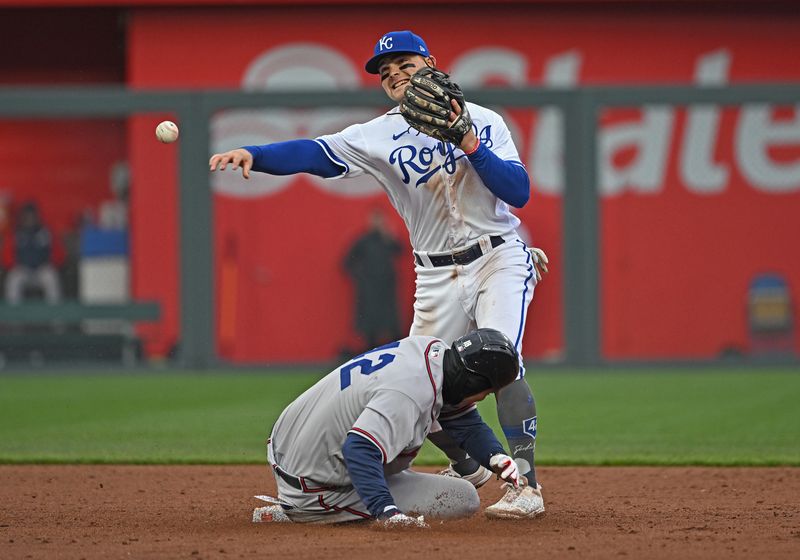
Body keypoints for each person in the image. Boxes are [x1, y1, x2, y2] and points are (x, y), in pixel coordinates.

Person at [210, 30, 548, 519]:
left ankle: (527, 489)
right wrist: (256, 156)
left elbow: (517, 192)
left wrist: (469, 141)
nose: (395, 76)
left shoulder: (484, 119)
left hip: (497, 255)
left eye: (405, 65)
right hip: (434, 272)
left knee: (501, 354)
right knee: (424, 378)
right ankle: (471, 470)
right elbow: (315, 154)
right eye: (386, 73)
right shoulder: (378, 134)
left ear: (431, 63)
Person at [260, 328, 525, 525]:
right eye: (487, 392)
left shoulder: (431, 351)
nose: (483, 397)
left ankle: (302, 502)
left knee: (394, 445)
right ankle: (301, 511)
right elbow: (360, 449)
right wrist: (387, 512)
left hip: (291, 445)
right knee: (462, 499)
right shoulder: (409, 394)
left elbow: (463, 419)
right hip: (315, 485)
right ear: (473, 384)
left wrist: (496, 457)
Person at [343, 208, 403, 352]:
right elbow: (346, 262)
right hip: (369, 289)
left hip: (386, 288)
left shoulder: (386, 239)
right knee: (370, 323)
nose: (377, 223)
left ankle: (398, 351)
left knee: (391, 321)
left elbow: (400, 250)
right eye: (375, 220)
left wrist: (389, 236)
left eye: (380, 219)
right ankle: (370, 350)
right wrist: (361, 277)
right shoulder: (364, 241)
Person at [2, 201, 63, 304]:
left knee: (51, 277)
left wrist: (50, 262)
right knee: (13, 279)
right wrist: (15, 264)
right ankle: (15, 318)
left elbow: (60, 254)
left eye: (33, 215)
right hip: (23, 270)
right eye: (27, 216)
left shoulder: (46, 232)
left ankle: (56, 317)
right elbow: (5, 257)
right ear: (22, 217)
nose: (30, 218)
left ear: (37, 217)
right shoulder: (16, 233)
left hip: (42, 270)